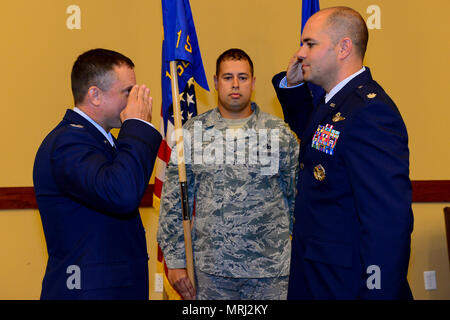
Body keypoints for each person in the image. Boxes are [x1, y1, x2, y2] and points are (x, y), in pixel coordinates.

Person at [272, 7, 414, 299]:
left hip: (347, 285)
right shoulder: (336, 104)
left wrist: (376, 293)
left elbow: (387, 224)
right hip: (320, 277)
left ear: (343, 48)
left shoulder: (370, 112)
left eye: (310, 43)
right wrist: (294, 88)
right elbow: (316, 141)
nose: (300, 53)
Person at [157, 48, 299, 300]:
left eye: (243, 77)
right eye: (227, 77)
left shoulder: (278, 133)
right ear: (215, 82)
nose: (235, 85)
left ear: (253, 83)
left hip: (270, 273)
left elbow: (296, 198)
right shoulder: (192, 132)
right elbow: (175, 202)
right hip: (211, 273)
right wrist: (176, 261)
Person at [33, 48, 162, 299]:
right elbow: (121, 193)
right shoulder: (69, 142)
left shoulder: (97, 139)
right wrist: (137, 126)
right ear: (95, 95)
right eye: (128, 91)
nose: (135, 100)